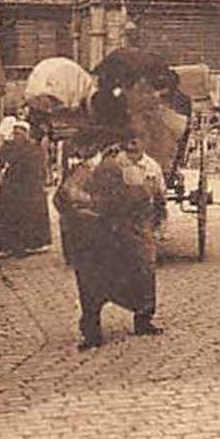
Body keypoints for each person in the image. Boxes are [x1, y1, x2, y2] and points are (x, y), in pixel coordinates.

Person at [57, 134, 167, 349]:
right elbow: (145, 198)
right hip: (105, 235)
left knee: (95, 283)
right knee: (133, 274)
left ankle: (94, 331)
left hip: (104, 235)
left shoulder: (99, 169)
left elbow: (146, 198)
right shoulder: (98, 170)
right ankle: (135, 321)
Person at [0, 115, 53, 257]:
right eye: (15, 132)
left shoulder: (32, 148)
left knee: (24, 216)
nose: (17, 135)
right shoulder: (8, 146)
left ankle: (24, 245)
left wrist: (42, 182)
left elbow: (40, 167)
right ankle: (8, 246)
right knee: (9, 216)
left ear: (26, 134)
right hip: (11, 186)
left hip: (26, 187)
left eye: (20, 133)